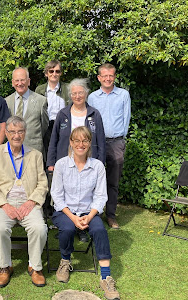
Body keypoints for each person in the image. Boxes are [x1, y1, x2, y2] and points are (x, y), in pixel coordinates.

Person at [51, 126, 120, 300]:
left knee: (99, 230)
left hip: (89, 212)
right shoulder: (61, 165)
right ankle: (65, 261)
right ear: (71, 143)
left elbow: (101, 196)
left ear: (89, 143)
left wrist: (89, 216)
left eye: (85, 140)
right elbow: (57, 196)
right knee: (67, 229)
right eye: (77, 140)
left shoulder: (97, 167)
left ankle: (106, 277)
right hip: (66, 211)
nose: (80, 144)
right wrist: (73, 217)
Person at [0, 116, 48, 288]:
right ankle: (6, 266)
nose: (16, 135)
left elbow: (42, 183)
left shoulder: (35, 155)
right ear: (6, 133)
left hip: (29, 201)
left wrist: (32, 202)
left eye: (20, 131)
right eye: (12, 132)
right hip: (3, 202)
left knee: (39, 228)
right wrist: (4, 205)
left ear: (25, 133)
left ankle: (35, 267)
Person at [47, 78, 105, 242]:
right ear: (70, 95)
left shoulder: (94, 114)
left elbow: (100, 140)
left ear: (86, 94)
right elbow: (54, 140)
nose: (77, 96)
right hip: (64, 163)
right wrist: (51, 162)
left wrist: (101, 163)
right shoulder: (63, 114)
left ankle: (82, 229)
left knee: (84, 196)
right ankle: (67, 226)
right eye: (74, 93)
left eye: (80, 93)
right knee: (63, 194)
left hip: (88, 163)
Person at [88, 63, 131, 229]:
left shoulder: (123, 95)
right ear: (99, 78)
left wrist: (120, 137)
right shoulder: (92, 97)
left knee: (113, 181)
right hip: (96, 143)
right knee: (93, 179)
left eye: (110, 75)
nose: (107, 78)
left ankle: (111, 215)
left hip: (116, 142)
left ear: (114, 77)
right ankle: (95, 213)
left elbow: (126, 119)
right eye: (104, 76)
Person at [5, 67, 48, 156]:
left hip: (34, 151)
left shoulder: (41, 101)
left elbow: (44, 126)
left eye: (22, 80)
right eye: (17, 80)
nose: (19, 83)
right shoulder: (6, 102)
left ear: (28, 81)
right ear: (12, 83)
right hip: (12, 152)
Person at [35, 60, 70, 155]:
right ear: (46, 73)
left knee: (63, 153)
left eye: (57, 71)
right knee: (48, 153)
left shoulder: (67, 88)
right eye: (51, 71)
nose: (54, 74)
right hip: (47, 127)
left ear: (61, 73)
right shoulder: (40, 90)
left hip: (63, 125)